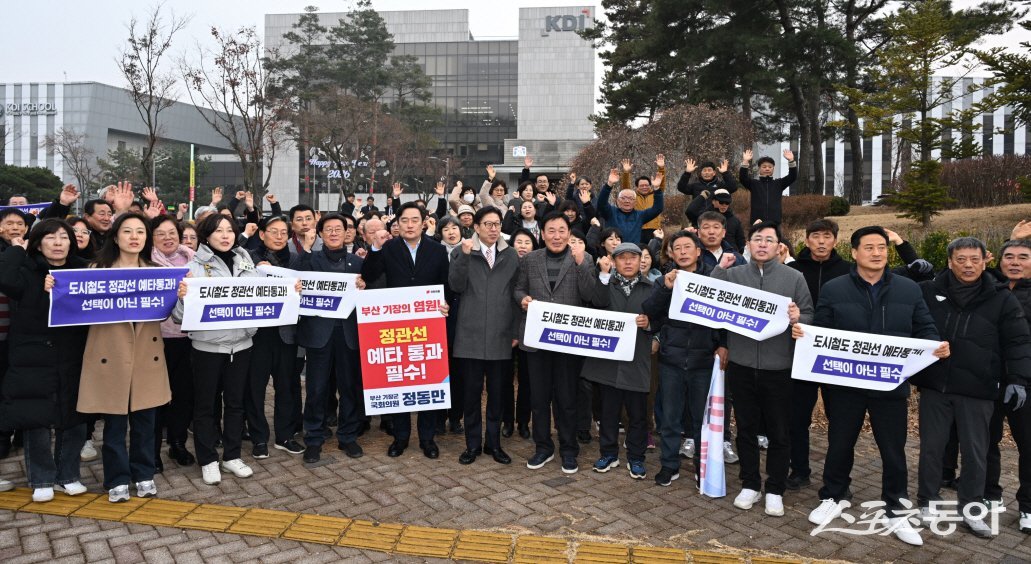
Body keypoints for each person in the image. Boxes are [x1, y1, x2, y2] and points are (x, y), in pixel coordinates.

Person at [797, 226, 947, 546]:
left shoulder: (908, 289)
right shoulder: (835, 289)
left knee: (893, 450)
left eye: (881, 247)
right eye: (869, 247)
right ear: (854, 253)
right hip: (844, 385)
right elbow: (822, 331)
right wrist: (805, 333)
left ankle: (896, 507)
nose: (877, 253)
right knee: (839, 444)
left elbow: (925, 327)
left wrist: (934, 345)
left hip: (890, 384)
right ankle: (834, 496)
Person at [913, 236, 1031, 538]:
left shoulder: (1001, 297)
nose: (968, 265)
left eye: (974, 260)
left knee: (976, 453)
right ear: (950, 262)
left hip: (979, 389)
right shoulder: (929, 291)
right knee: (932, 448)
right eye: (961, 259)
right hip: (935, 385)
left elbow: (1018, 341)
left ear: (985, 262)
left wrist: (1018, 379)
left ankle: (972, 509)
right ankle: (927, 501)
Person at [712, 221, 812, 517]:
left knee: (779, 431)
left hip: (779, 367)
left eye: (769, 240)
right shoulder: (733, 275)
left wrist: (799, 317)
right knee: (745, 429)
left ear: (779, 246)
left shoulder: (794, 277)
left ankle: (776, 489)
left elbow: (810, 314)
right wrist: (719, 268)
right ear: (748, 245)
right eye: (757, 239)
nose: (763, 244)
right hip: (741, 364)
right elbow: (709, 297)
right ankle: (750, 483)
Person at [78, 213, 171, 503]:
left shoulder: (157, 272)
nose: (134, 237)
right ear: (115, 237)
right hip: (111, 356)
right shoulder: (96, 270)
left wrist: (181, 294)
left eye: (140, 232)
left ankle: (144, 474)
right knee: (115, 425)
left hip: (146, 356)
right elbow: (76, 309)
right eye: (127, 231)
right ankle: (116, 478)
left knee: (145, 424)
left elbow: (170, 314)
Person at [173, 214, 268, 486]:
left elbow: (264, 295)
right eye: (218, 231)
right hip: (208, 347)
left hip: (242, 345)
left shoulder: (245, 261)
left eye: (229, 230)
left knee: (236, 404)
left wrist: (290, 291)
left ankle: (232, 456)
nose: (225, 235)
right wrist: (182, 298)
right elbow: (178, 317)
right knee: (205, 406)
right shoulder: (192, 267)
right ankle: (208, 459)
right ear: (206, 235)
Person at [0, 219, 90, 500]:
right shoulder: (26, 270)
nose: (58, 243)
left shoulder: (84, 271)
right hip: (33, 356)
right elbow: (4, 278)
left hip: (73, 353)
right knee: (37, 419)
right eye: (50, 237)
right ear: (38, 244)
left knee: (74, 417)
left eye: (64, 237)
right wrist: (17, 249)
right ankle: (41, 479)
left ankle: (68, 475)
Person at [361, 202, 451, 459]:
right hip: (397, 326)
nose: (409, 225)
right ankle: (400, 438)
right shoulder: (387, 248)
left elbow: (445, 283)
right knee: (400, 380)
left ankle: (427, 439)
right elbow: (369, 275)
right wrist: (375, 249)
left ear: (424, 223)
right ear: (397, 223)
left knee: (427, 379)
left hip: (429, 326)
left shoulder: (437, 249)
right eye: (404, 220)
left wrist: (445, 303)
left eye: (415, 220)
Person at [514, 212, 600, 473]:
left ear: (569, 233)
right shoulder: (530, 259)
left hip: (568, 342)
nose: (556, 236)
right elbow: (518, 288)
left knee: (567, 398)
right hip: (537, 341)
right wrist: (523, 299)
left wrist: (581, 262)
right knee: (539, 398)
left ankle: (568, 449)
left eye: (562, 230)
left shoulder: (583, 259)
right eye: (551, 230)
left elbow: (591, 294)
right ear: (542, 234)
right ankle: (543, 447)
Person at [643, 231, 732, 487]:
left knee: (700, 419)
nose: (682, 252)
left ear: (698, 252)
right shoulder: (665, 280)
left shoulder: (712, 280)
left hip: (703, 360)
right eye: (677, 248)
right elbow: (649, 312)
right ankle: (669, 465)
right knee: (670, 418)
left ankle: (701, 466)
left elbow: (726, 316)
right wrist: (666, 288)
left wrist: (723, 344)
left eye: (687, 247)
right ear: (670, 253)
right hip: (671, 360)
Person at [785, 218, 852, 490]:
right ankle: (799, 470)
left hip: (836, 356)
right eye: (815, 236)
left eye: (827, 236)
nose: (821, 242)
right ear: (806, 240)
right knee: (797, 417)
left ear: (835, 240)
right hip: (799, 354)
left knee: (840, 420)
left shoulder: (850, 271)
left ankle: (838, 477)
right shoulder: (792, 270)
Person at [450, 207, 520, 465]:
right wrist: (465, 256)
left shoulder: (511, 255)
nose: (493, 229)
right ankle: (472, 445)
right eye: (488, 224)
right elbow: (456, 285)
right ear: (476, 227)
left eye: (497, 224)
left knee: (498, 394)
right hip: (470, 335)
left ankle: (493, 443)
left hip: (501, 335)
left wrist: (515, 330)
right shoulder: (461, 251)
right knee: (471, 395)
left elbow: (516, 293)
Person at [584, 243, 654, 479]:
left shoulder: (651, 288)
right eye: (622, 258)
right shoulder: (606, 283)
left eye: (633, 257)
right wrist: (603, 276)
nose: (628, 262)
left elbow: (662, 318)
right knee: (608, 413)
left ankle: (636, 457)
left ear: (640, 261)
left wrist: (650, 324)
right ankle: (608, 453)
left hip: (637, 359)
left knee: (637, 414)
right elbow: (596, 304)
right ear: (614, 262)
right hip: (609, 361)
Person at [245, 216, 306, 459]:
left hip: (286, 334)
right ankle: (259, 438)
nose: (279, 237)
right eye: (273, 231)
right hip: (258, 335)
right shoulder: (248, 259)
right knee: (255, 389)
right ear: (262, 234)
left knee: (286, 387)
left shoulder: (296, 260)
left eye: (284, 232)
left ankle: (285, 436)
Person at [986, 239, 1031, 533]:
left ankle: (1028, 506)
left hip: (1026, 383)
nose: (1015, 262)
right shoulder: (988, 289)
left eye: (1023, 257)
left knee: (1028, 445)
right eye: (1009, 256)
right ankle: (990, 495)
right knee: (985, 441)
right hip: (989, 381)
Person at [149, 216, 197, 471]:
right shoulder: (144, 263)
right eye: (160, 233)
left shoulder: (194, 260)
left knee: (184, 396)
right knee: (156, 398)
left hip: (188, 338)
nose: (168, 238)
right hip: (156, 340)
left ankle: (178, 443)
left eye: (172, 233)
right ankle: (152, 449)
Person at [597, 166, 664, 245]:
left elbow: (657, 208)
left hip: (633, 250)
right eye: (623, 198)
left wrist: (656, 188)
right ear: (617, 201)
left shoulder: (640, 216)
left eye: (631, 198)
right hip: (614, 249)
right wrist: (609, 184)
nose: (627, 201)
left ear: (635, 202)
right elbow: (601, 203)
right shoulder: (611, 212)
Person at [738, 149, 798, 225]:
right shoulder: (754, 184)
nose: (767, 169)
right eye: (764, 167)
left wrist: (791, 161)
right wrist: (745, 161)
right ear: (759, 168)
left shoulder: (779, 183)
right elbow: (743, 178)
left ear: (773, 168)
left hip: (775, 223)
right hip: (757, 222)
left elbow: (792, 177)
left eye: (770, 167)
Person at [620, 155, 666, 242]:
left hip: (654, 229)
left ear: (650, 186)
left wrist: (661, 168)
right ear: (637, 187)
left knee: (654, 249)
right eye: (641, 185)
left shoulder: (656, 194)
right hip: (638, 228)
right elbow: (625, 188)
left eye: (646, 185)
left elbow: (661, 182)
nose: (644, 187)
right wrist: (626, 173)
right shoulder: (633, 196)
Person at [686, 188, 744, 253]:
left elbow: (741, 241)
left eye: (727, 203)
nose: (724, 205)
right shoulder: (704, 217)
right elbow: (690, 211)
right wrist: (702, 197)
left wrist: (741, 255)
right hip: (707, 255)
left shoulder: (734, 220)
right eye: (721, 202)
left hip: (730, 255)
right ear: (713, 201)